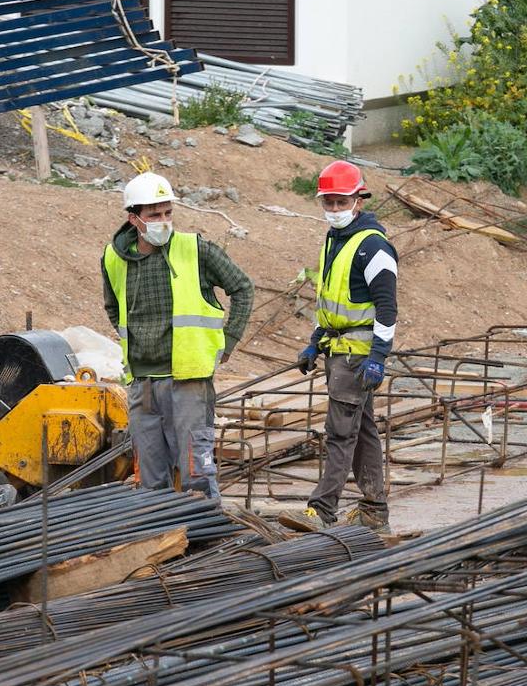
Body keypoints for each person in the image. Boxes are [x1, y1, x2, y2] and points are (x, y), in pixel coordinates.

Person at [102, 171, 253, 498]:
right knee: (151, 481)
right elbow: (113, 308)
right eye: (154, 214)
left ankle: (208, 537)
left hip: (188, 381)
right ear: (133, 218)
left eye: (168, 212)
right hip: (142, 384)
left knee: (196, 473)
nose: (164, 221)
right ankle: (163, 539)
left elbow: (242, 287)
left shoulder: (195, 249)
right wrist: (138, 341)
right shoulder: (113, 259)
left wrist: (229, 340)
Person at [279, 160, 398, 534]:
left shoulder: (373, 248)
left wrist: (378, 357)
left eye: (340, 202)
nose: (334, 210)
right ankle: (374, 509)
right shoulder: (335, 240)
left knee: (340, 432)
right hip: (337, 349)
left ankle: (322, 509)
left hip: (357, 355)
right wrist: (315, 342)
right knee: (362, 430)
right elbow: (328, 300)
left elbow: (387, 308)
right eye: (328, 203)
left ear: (358, 201)